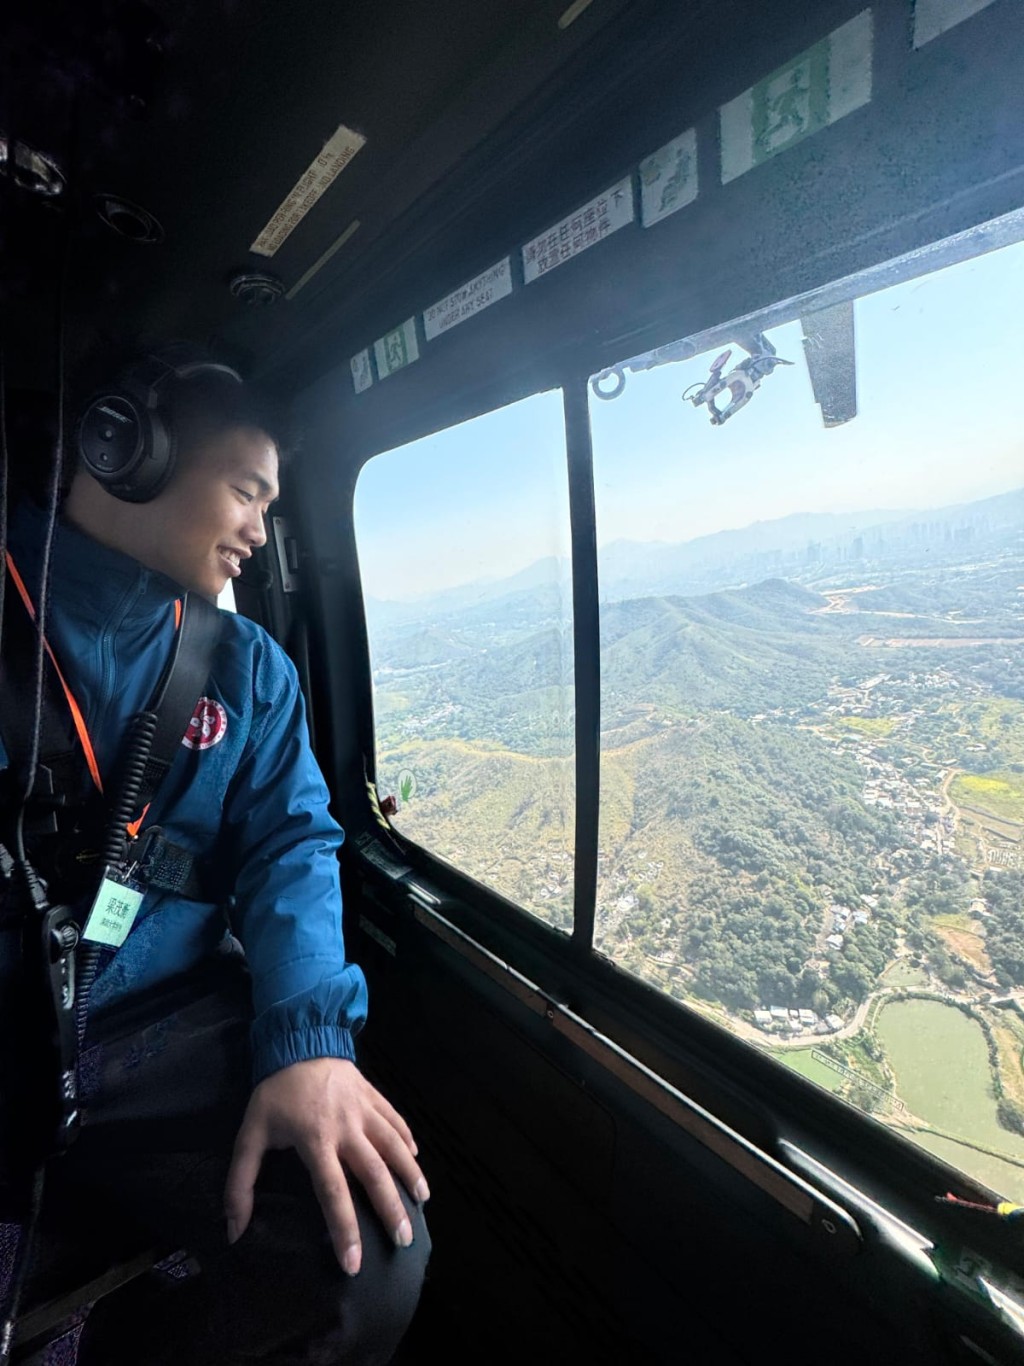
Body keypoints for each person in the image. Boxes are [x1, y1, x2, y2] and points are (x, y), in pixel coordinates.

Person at [0, 354, 430, 1365]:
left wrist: (309, 1042)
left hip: (164, 1034)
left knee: (360, 1249)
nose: (259, 530)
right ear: (123, 454)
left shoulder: (249, 671)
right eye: (246, 490)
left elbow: (293, 846)